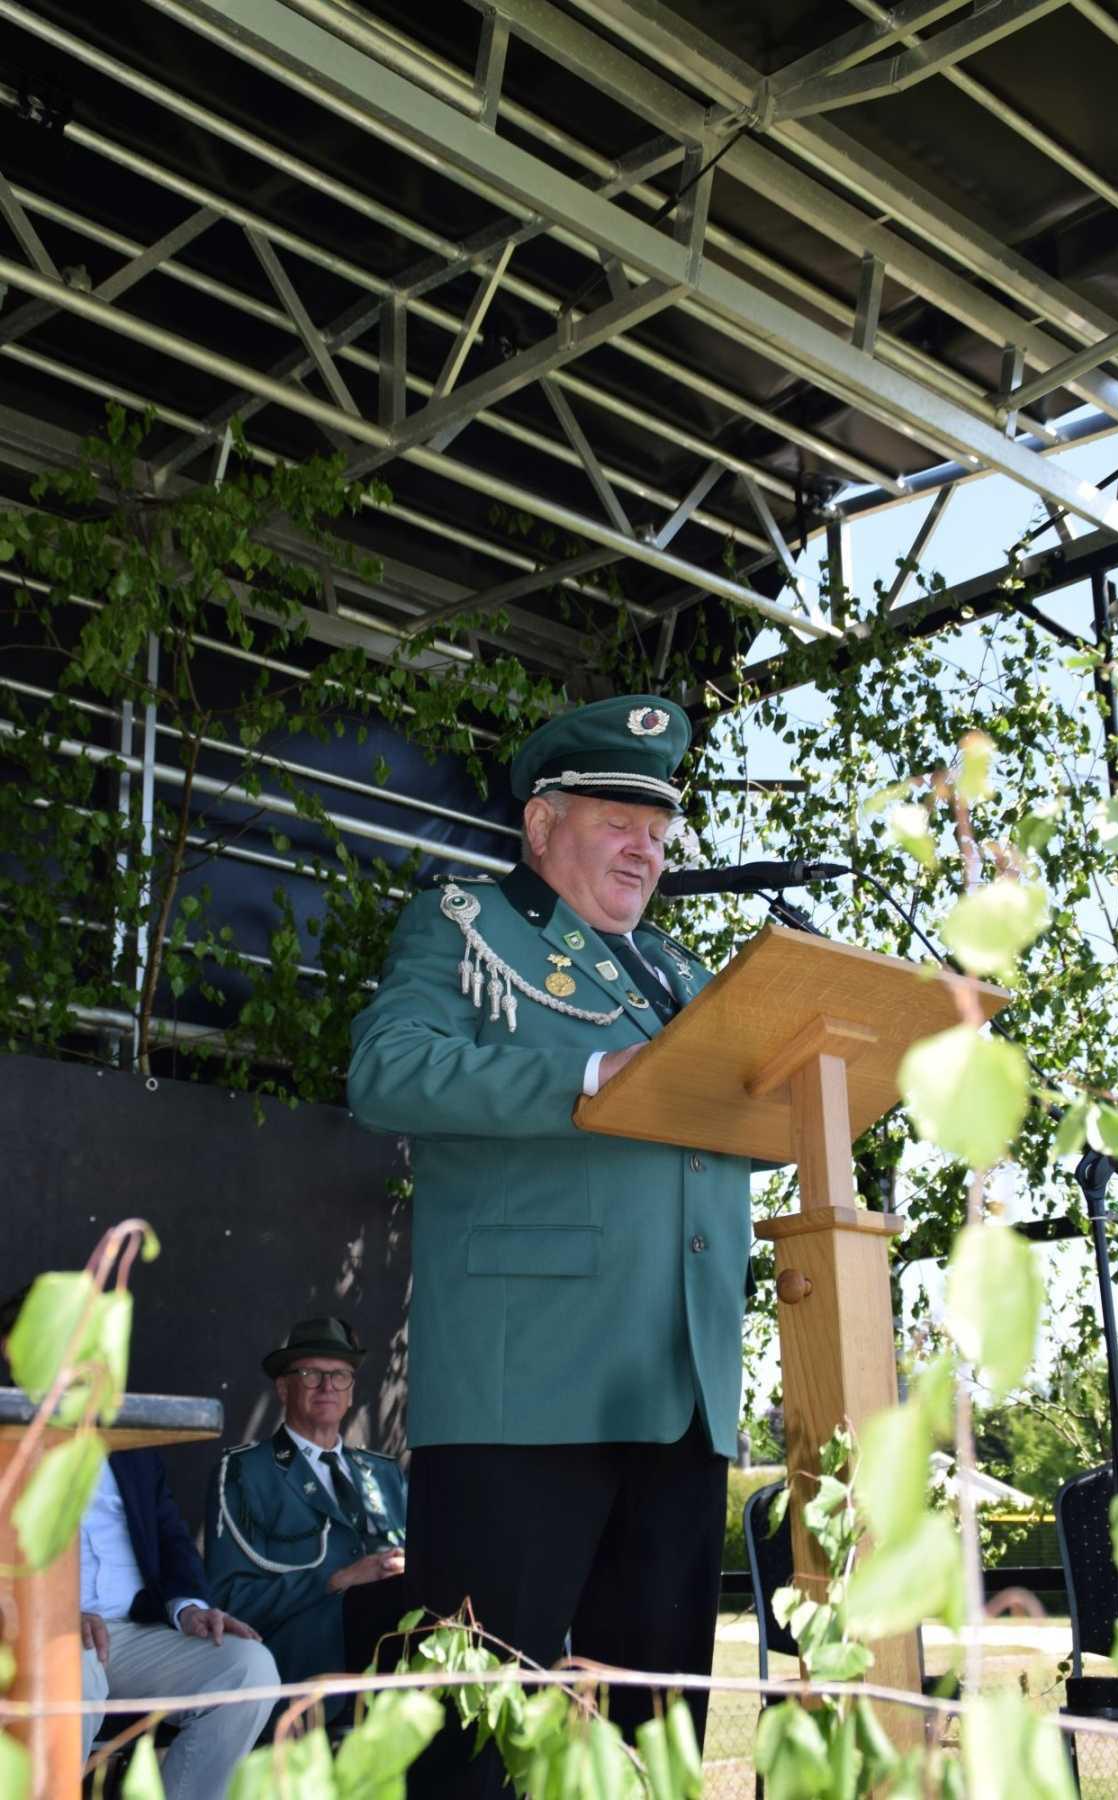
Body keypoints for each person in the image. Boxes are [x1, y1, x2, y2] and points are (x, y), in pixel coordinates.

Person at [347, 694, 753, 1793]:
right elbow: (388, 1069)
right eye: (619, 816)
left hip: (681, 1385)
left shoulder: (681, 976)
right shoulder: (469, 922)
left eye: (661, 829)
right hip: (527, 1382)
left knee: (650, 1736)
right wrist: (584, 1077)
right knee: (475, 1731)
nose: (647, 845)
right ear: (540, 825)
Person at [0, 1286, 276, 1799]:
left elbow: (171, 1538)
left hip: (134, 1631)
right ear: (14, 1351)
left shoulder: (128, 1438)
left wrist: (190, 1607)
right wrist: (53, 1613)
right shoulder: (3, 1437)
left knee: (250, 1668)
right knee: (69, 1671)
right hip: (36, 1634)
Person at [204, 1317, 408, 1705]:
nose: (328, 1386)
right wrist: (336, 1579)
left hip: (399, 1668)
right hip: (309, 1667)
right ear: (284, 1388)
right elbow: (230, 1600)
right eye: (312, 1374)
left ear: (352, 1391)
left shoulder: (384, 1474)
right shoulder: (247, 1472)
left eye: (340, 1375)